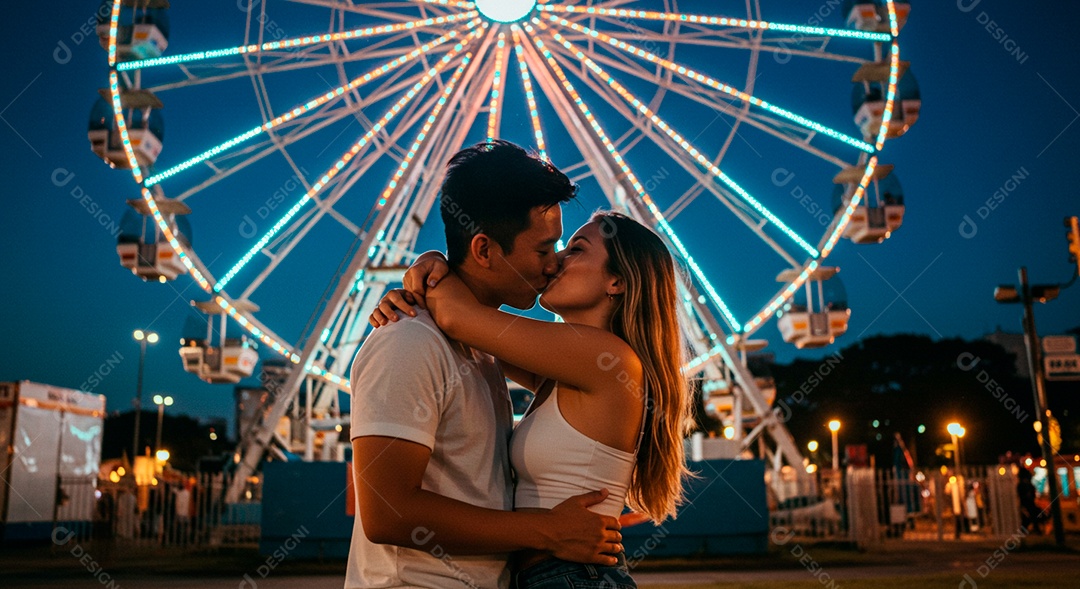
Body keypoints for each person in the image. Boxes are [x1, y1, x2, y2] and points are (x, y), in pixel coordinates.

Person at [347, 141, 623, 589]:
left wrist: (433, 266)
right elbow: (386, 510)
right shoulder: (409, 342)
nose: (554, 264)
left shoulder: (484, 352)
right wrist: (547, 530)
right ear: (484, 249)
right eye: (544, 249)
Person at [372, 210, 693, 588]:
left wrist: (433, 264)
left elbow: (459, 316)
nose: (556, 260)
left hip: (572, 576)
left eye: (576, 250)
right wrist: (429, 276)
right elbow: (469, 326)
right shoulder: (566, 370)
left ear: (616, 281)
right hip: (554, 575)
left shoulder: (606, 360)